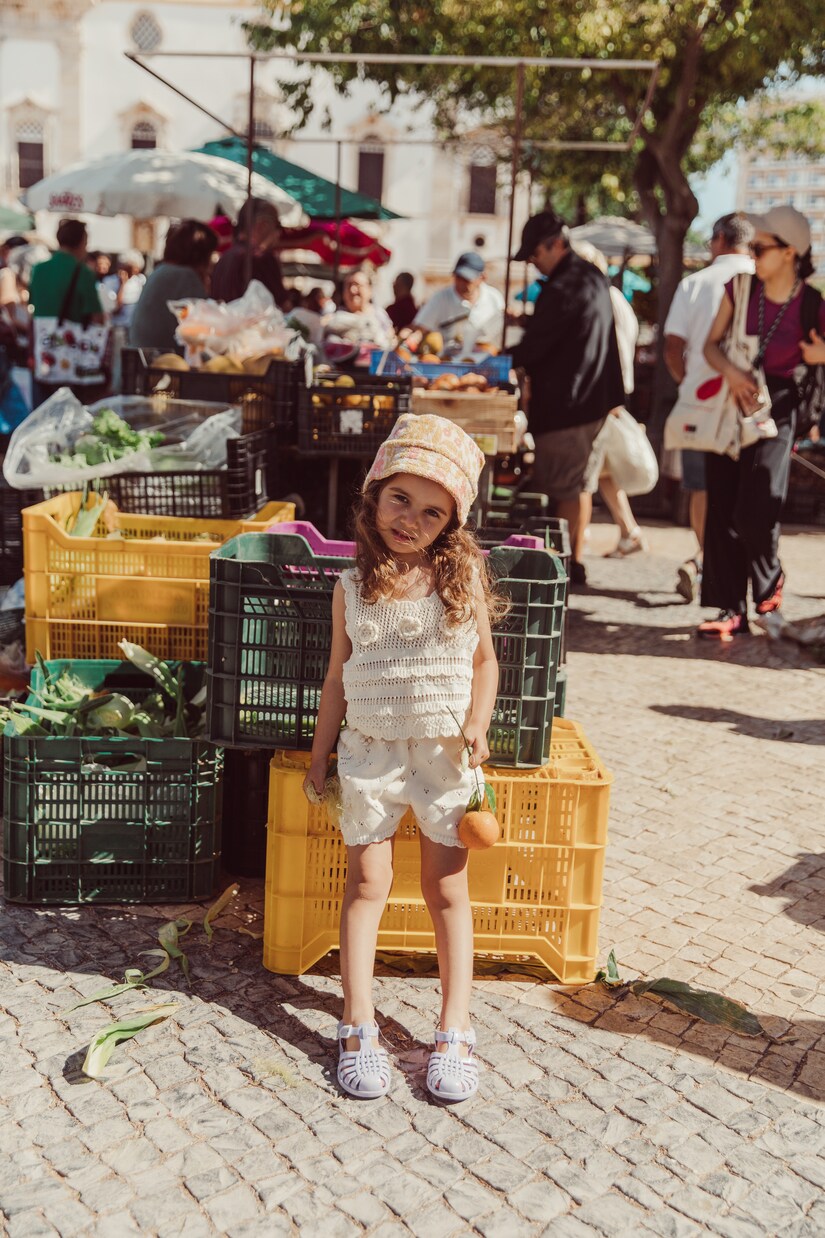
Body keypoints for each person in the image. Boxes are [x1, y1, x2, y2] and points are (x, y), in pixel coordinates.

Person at [303, 413, 502, 1101]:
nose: (410, 519)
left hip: (445, 755)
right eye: (399, 499)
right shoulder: (350, 589)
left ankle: (454, 1028)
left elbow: (485, 663)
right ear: (373, 494)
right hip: (368, 755)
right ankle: (357, 1024)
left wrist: (477, 724)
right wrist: (319, 753)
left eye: (431, 511)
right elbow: (335, 678)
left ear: (449, 523)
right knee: (365, 886)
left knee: (445, 889)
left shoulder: (462, 582)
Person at [699, 205, 825, 640]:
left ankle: (768, 594)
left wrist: (818, 355)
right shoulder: (740, 288)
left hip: (781, 403)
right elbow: (710, 346)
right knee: (722, 503)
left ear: (790, 252)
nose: (752, 254)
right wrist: (732, 373)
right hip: (733, 396)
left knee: (760, 503)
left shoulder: (812, 303)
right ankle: (730, 607)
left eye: (761, 247)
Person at [510, 210, 625, 585]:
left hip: (569, 407)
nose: (533, 262)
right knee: (577, 486)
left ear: (556, 244)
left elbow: (538, 345)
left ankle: (556, 569)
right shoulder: (591, 276)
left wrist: (505, 360)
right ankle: (571, 562)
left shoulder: (567, 285)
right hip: (591, 403)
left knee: (559, 489)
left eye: (535, 254)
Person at [664, 213, 754, 602]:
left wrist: (688, 385)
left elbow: (672, 346)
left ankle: (707, 561)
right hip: (752, 403)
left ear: (719, 239)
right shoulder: (765, 281)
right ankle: (731, 571)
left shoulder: (695, 284)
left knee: (703, 489)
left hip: (702, 403)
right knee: (748, 489)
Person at [575, 240, 647, 558]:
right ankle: (625, 531)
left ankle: (582, 536)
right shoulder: (611, 296)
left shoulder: (604, 297)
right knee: (601, 471)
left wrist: (613, 397)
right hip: (609, 396)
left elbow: (614, 350)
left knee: (590, 472)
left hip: (605, 399)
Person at [28, 218, 105, 405]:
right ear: (80, 242)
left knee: (42, 412)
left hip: (43, 349)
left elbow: (33, 309)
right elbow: (97, 317)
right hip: (73, 358)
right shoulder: (83, 272)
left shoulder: (39, 269)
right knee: (70, 412)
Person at [129, 220, 219, 352]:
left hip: (147, 356)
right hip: (166, 361)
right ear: (200, 254)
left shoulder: (161, 271)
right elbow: (199, 330)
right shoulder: (185, 277)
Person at [410, 252, 504, 355]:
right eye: (458, 277)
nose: (461, 282)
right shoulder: (440, 298)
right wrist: (412, 338)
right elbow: (420, 328)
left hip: (484, 362)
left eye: (467, 279)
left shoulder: (495, 299)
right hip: (448, 363)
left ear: (482, 277)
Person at [210, 198, 287, 307]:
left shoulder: (224, 258)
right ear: (262, 225)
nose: (278, 233)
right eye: (278, 225)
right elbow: (282, 305)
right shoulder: (260, 257)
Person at [323, 268, 395, 363]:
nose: (353, 290)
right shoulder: (334, 315)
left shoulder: (379, 315)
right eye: (348, 286)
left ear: (369, 290)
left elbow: (390, 339)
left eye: (357, 285)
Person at [103, 250, 146, 329]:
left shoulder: (140, 281)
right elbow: (115, 309)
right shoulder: (110, 281)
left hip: (134, 326)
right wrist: (122, 285)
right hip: (119, 326)